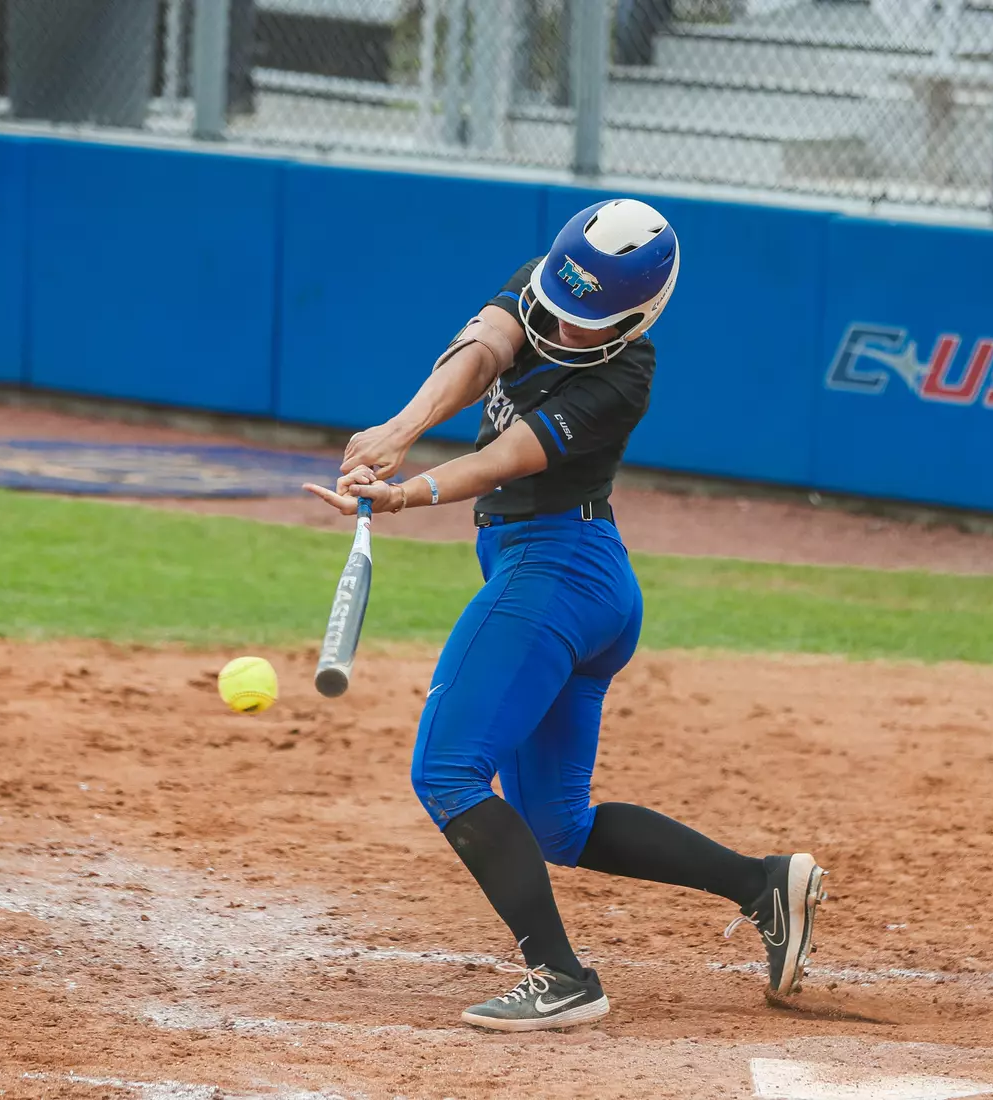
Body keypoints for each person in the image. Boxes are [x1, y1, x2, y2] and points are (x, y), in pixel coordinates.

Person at [303, 199, 826, 1032]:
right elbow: (484, 351)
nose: (564, 328)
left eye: (590, 323)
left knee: (445, 772)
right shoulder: (546, 287)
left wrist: (409, 489)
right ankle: (761, 884)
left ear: (635, 318)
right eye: (559, 306)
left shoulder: (625, 378)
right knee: (557, 823)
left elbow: (511, 456)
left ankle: (560, 976)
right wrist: (398, 431)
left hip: (556, 574)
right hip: (569, 575)